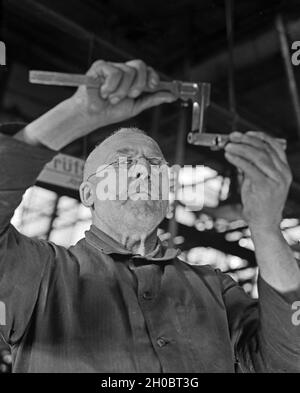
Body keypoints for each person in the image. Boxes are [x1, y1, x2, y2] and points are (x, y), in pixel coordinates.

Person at [0, 59, 299, 373]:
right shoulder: (42, 274)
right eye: (125, 163)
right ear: (88, 194)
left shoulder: (215, 288)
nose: (144, 170)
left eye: (156, 164)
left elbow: (286, 360)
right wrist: (78, 114)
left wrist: (265, 226)